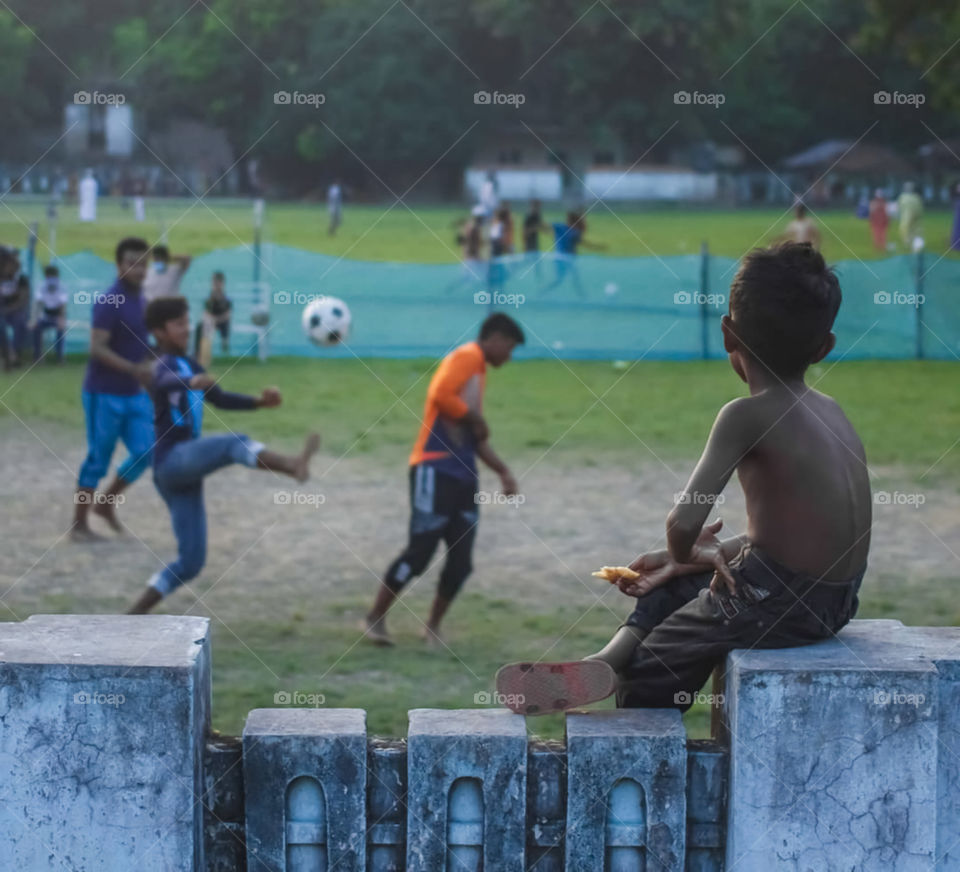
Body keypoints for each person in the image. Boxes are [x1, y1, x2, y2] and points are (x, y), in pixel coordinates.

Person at [496, 242, 871, 715]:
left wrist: (684, 550)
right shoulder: (831, 412)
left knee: (653, 667)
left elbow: (682, 524)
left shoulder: (745, 416)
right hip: (837, 600)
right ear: (824, 347)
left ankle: (636, 716)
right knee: (678, 585)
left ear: (727, 334)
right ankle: (605, 659)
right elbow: (787, 544)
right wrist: (685, 564)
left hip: (782, 603)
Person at [127, 296, 319, 614]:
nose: (186, 329)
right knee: (234, 444)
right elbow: (163, 382)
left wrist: (259, 402)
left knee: (191, 562)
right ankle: (291, 465)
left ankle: (132, 615)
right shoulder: (163, 364)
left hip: (182, 472)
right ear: (159, 332)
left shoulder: (190, 363)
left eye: (187, 322)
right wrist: (191, 381)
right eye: (178, 325)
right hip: (172, 460)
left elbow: (222, 398)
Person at [363, 313, 525, 647]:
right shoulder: (467, 357)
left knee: (461, 561)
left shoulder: (477, 372)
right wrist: (475, 418)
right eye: (509, 347)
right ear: (494, 338)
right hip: (434, 470)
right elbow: (439, 394)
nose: (509, 356)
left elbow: (474, 435)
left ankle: (432, 627)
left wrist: (503, 471)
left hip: (464, 476)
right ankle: (374, 619)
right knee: (419, 553)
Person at [71, 237, 155, 541]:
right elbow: (97, 348)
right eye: (132, 262)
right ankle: (78, 523)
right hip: (103, 393)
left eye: (144, 263)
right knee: (98, 459)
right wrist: (133, 368)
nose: (139, 268)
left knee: (147, 450)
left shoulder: (142, 301)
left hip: (135, 394)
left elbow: (143, 347)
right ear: (119, 265)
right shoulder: (110, 301)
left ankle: (105, 505)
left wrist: (158, 363)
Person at [541, 210, 605, 297]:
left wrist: (597, 247)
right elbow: (585, 243)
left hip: (564, 259)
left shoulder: (567, 230)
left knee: (569, 278)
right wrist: (598, 247)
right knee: (567, 278)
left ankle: (581, 295)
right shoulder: (565, 229)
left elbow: (582, 242)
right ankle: (544, 292)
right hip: (563, 259)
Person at [0, 247, 30, 369]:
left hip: (14, 311)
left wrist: (7, 309)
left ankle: (16, 354)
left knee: (20, 321)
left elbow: (23, 301)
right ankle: (7, 355)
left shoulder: (21, 279)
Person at [32, 264, 68, 363]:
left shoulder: (61, 287)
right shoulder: (42, 286)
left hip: (57, 316)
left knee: (61, 330)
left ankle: (60, 357)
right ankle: (38, 356)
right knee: (36, 328)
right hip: (45, 317)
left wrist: (61, 319)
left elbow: (63, 305)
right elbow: (38, 304)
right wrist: (34, 320)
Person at [446, 208, 486, 294]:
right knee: (481, 278)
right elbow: (472, 244)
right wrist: (477, 257)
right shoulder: (474, 228)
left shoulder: (470, 226)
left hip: (468, 257)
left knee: (466, 279)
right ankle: (454, 292)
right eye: (482, 218)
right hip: (472, 259)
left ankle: (451, 290)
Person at [195, 271, 232, 359]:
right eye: (214, 282)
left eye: (218, 282)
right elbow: (206, 313)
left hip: (222, 321)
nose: (216, 285)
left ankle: (224, 341)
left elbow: (228, 314)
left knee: (225, 323)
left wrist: (218, 319)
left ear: (222, 283)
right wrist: (212, 319)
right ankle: (199, 352)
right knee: (201, 326)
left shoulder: (226, 299)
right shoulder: (209, 298)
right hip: (210, 322)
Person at [487, 204, 514, 295]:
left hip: (494, 254)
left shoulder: (496, 224)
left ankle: (497, 293)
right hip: (496, 254)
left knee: (498, 275)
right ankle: (498, 293)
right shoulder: (501, 226)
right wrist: (509, 250)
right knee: (501, 274)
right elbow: (500, 241)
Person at [522, 199, 545, 280]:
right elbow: (524, 232)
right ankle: (524, 277)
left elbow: (542, 226)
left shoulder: (537, 216)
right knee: (527, 262)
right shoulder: (529, 217)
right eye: (537, 206)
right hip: (529, 243)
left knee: (537, 262)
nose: (538, 208)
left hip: (535, 242)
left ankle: (538, 278)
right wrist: (534, 228)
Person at [897, 182, 923, 249]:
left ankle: (913, 243)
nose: (908, 188)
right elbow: (900, 207)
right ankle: (907, 243)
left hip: (913, 217)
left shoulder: (915, 197)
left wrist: (918, 215)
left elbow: (919, 207)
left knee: (914, 230)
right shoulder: (903, 197)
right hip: (906, 217)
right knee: (905, 229)